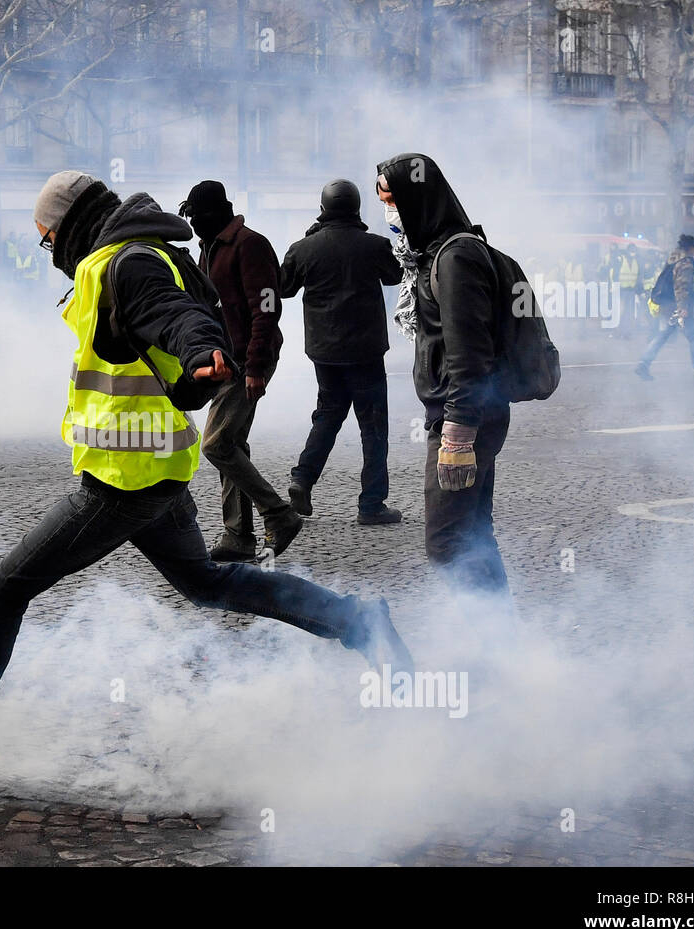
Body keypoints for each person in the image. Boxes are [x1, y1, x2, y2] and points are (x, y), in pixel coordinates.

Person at [0, 170, 415, 765]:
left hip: (122, 482)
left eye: (46, 237)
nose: (48, 250)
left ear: (69, 223)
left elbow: (173, 313)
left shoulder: (126, 262)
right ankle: (362, 623)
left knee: (1, 590)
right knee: (209, 584)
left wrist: (201, 350)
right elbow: (169, 318)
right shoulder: (147, 252)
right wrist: (197, 358)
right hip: (159, 470)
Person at [375, 152, 510, 596]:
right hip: (465, 411)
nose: (389, 213)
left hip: (464, 417)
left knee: (448, 543)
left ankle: (485, 644)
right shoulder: (435, 254)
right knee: (472, 534)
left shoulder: (454, 258)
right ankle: (500, 647)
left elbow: (470, 353)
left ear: (418, 198)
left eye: (393, 201)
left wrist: (457, 435)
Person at [179, 180, 302, 562]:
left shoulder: (250, 245)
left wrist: (255, 367)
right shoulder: (209, 246)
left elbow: (265, 310)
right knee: (231, 445)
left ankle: (279, 515)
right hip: (223, 360)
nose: (194, 223)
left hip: (245, 360)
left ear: (216, 213)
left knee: (215, 444)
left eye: (197, 216)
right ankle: (238, 536)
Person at [279, 179, 403, 525]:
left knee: (328, 415)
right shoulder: (374, 245)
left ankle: (302, 479)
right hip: (365, 351)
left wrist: (308, 239)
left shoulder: (303, 248)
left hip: (325, 352)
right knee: (373, 428)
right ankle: (371, 504)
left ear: (322, 210)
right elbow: (395, 275)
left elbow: (284, 287)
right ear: (356, 209)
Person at [635, 235, 694, 382]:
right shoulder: (685, 263)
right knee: (692, 336)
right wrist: (683, 308)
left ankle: (644, 364)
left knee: (664, 335)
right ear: (691, 248)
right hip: (676, 306)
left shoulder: (673, 258)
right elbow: (682, 286)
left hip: (667, 304)